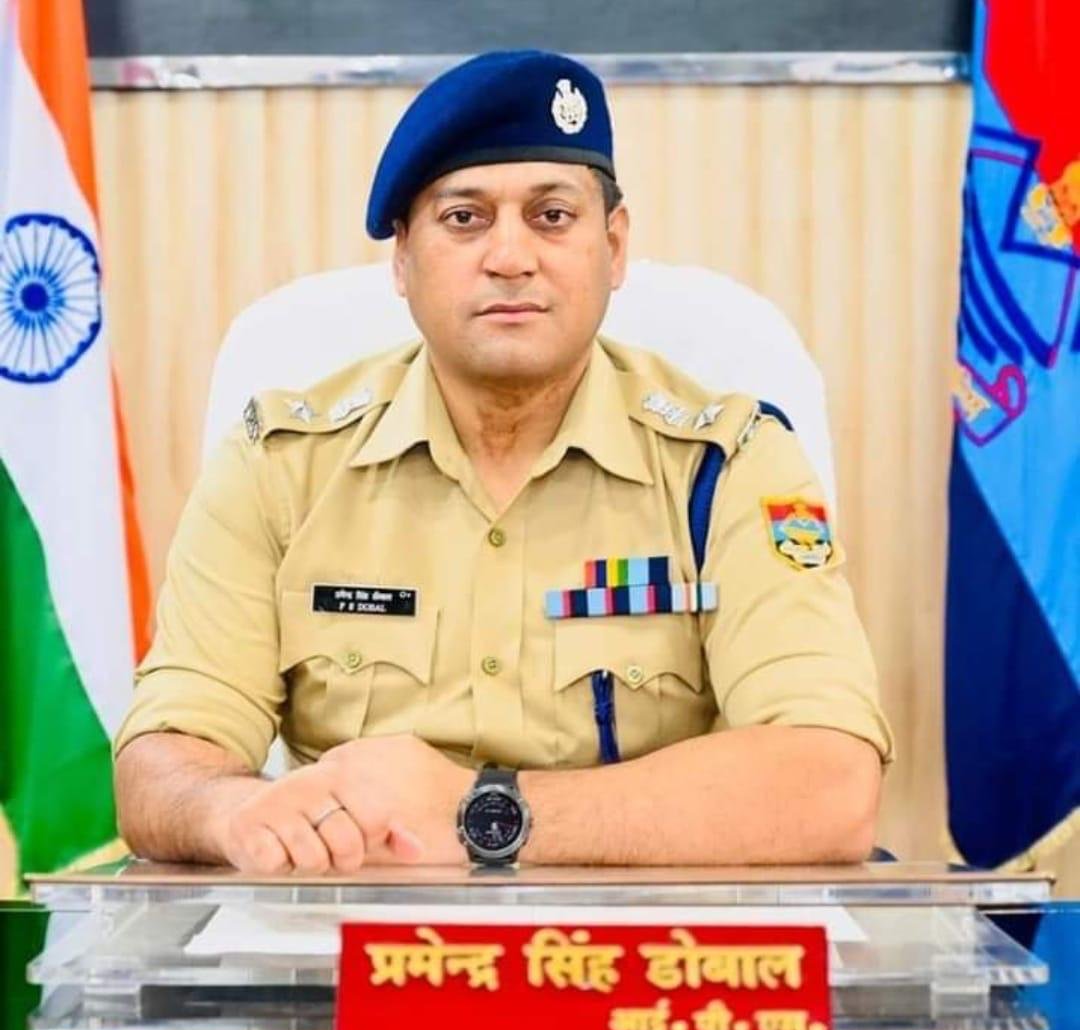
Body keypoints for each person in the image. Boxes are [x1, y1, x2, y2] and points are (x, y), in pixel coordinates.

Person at [113, 49, 893, 873]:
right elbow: (164, 758)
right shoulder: (279, 465)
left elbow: (830, 787)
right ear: (403, 259)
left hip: (650, 943)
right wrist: (231, 812)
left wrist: (480, 812)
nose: (511, 257)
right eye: (465, 218)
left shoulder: (728, 464)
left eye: (552, 216)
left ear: (614, 248)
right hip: (354, 934)